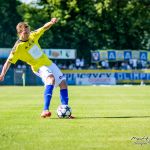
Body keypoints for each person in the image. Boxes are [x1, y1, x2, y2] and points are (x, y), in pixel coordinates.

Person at [0, 18, 74, 119]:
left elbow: (44, 28)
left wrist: (51, 22)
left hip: (48, 63)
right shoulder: (17, 48)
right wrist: (2, 74)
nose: (28, 33)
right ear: (20, 33)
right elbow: (8, 61)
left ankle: (65, 109)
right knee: (51, 79)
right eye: (26, 32)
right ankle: (45, 110)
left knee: (63, 83)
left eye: (29, 30)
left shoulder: (32, 35)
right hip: (38, 67)